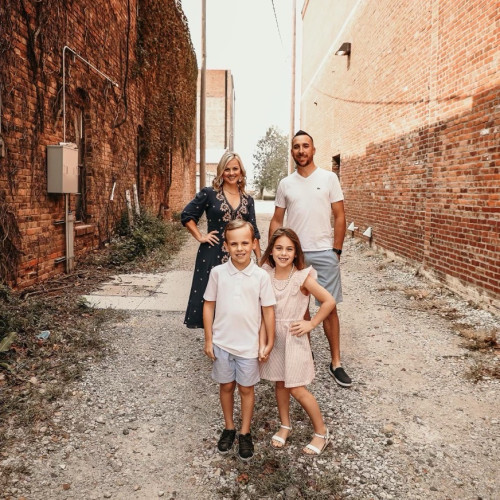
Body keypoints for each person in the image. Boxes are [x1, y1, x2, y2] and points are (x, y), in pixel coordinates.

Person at [269, 130, 352, 387]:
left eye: (306, 146)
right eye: (296, 147)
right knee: (298, 308)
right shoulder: (286, 183)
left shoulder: (328, 178)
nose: (301, 150)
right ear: (292, 152)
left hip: (324, 251)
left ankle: (335, 362)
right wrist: (273, 252)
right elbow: (276, 219)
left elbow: (340, 216)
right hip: (296, 255)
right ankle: (303, 354)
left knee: (329, 308)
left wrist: (336, 251)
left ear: (313, 150)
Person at [203, 220, 276, 461]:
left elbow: (268, 311)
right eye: (234, 244)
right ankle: (229, 427)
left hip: (248, 347)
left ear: (254, 243)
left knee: (246, 388)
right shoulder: (217, 273)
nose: (240, 248)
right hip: (223, 344)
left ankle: (245, 432)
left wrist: (268, 342)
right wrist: (209, 339)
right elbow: (209, 305)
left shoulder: (261, 276)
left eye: (245, 242)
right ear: (225, 246)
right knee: (226, 386)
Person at [260, 227, 336, 455]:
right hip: (275, 336)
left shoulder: (302, 277)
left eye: (289, 249)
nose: (284, 253)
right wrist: (262, 342)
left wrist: (311, 324)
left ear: (296, 253)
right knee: (280, 384)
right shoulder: (265, 274)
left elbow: (329, 301)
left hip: (294, 338)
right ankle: (285, 425)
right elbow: (262, 310)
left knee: (297, 388)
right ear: (271, 251)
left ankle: (321, 432)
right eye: (279, 248)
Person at [181, 151, 261, 329]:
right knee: (213, 295)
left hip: (240, 255)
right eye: (227, 169)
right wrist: (200, 236)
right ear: (221, 171)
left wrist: (259, 259)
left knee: (238, 296)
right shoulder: (209, 194)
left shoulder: (248, 199)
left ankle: (234, 335)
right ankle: (213, 340)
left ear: (241, 171)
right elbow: (187, 215)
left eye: (235, 168)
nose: (231, 173)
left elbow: (254, 230)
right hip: (213, 253)